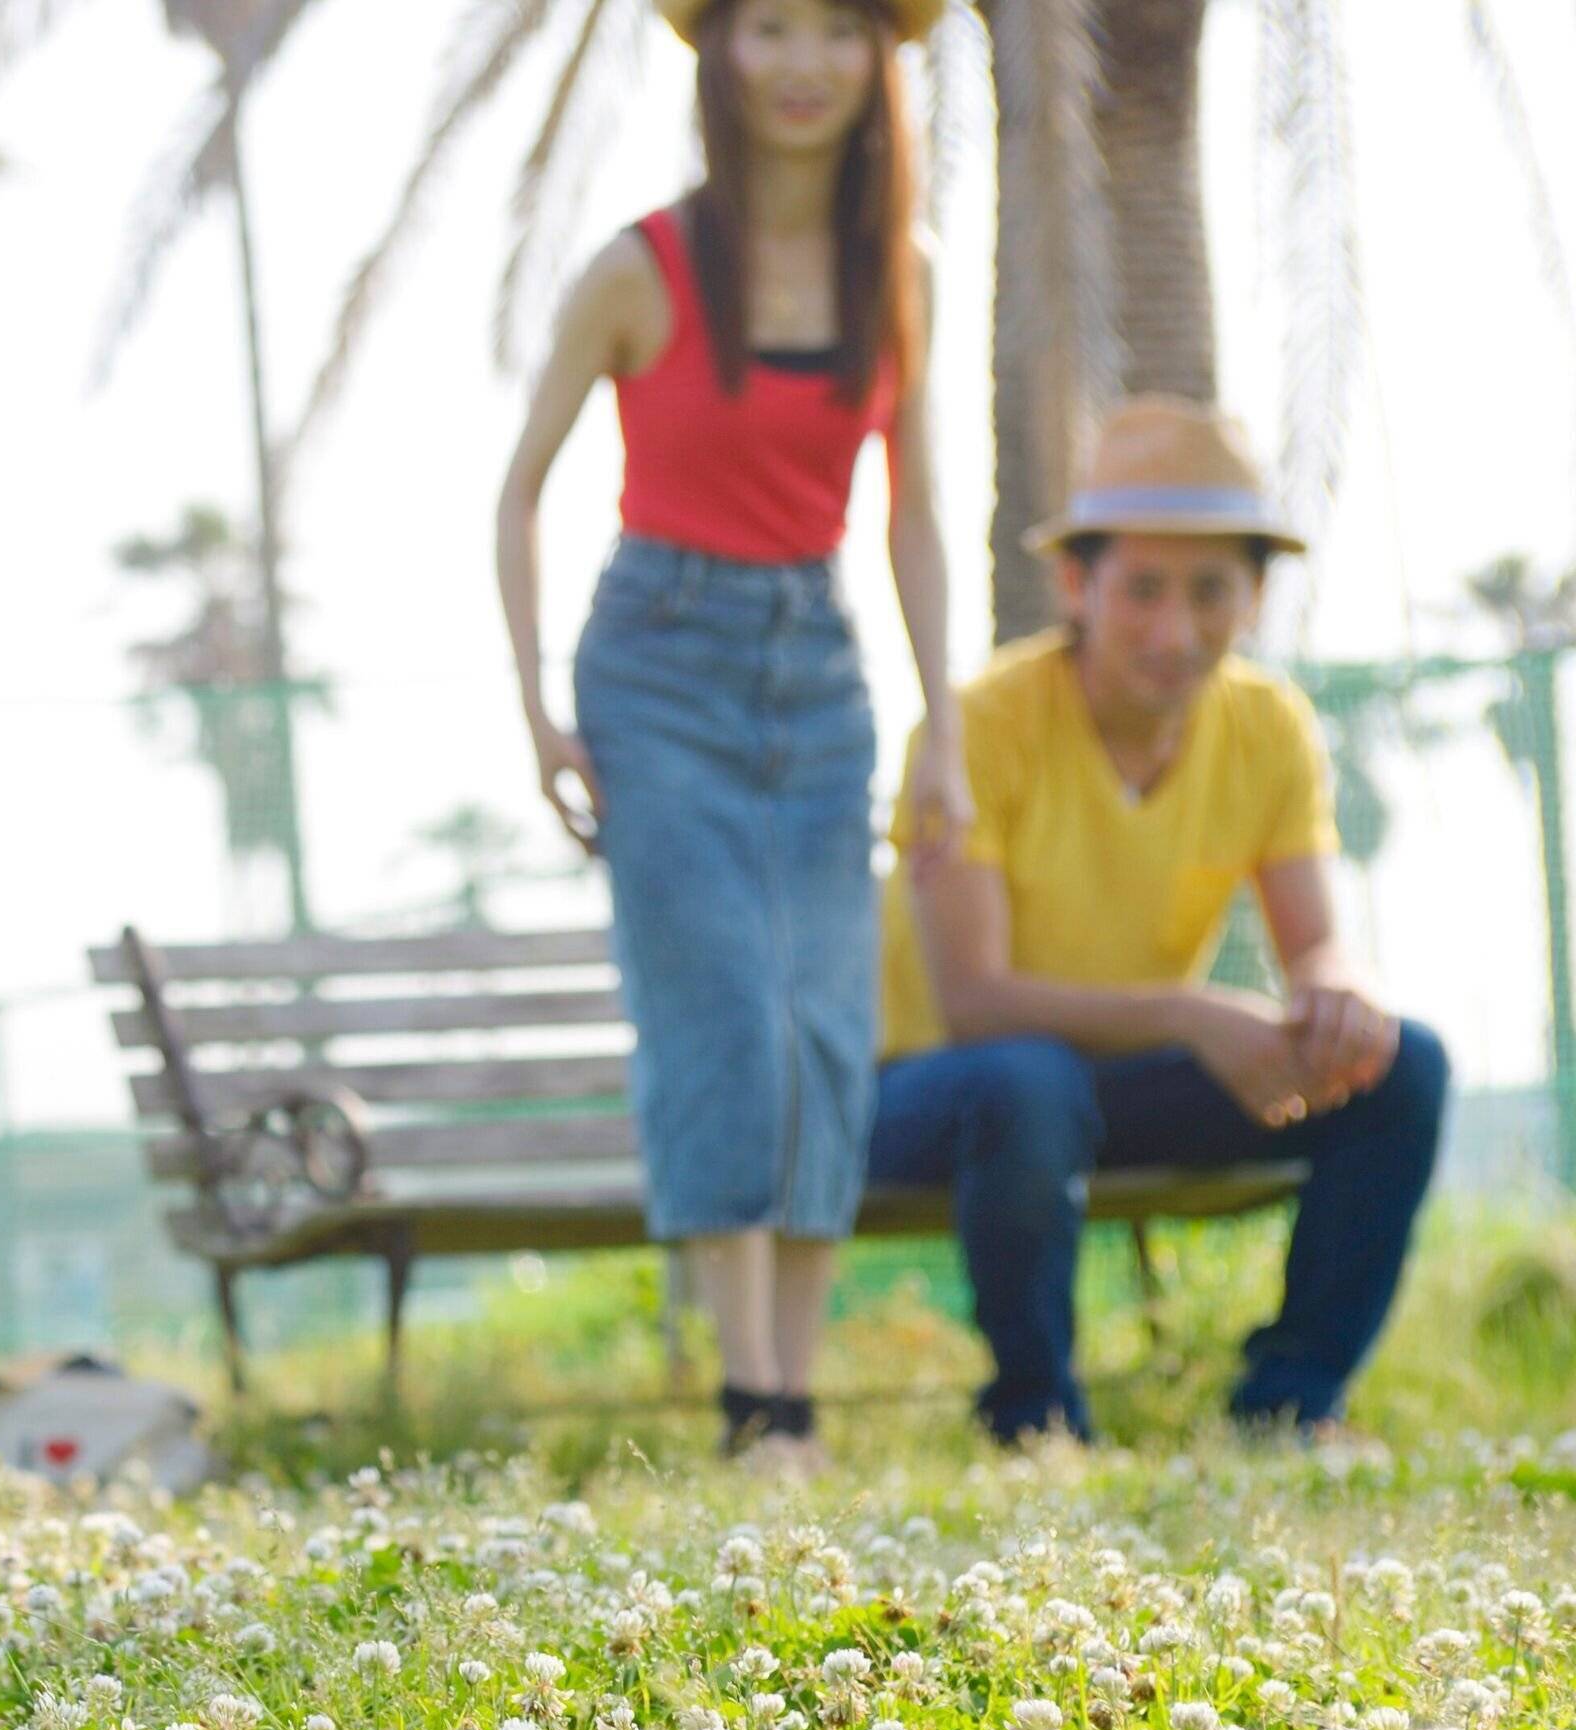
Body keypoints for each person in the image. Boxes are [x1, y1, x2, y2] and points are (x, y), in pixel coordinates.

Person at [499, 0, 968, 1468]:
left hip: (819, 670)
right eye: (769, 28)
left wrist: (940, 725)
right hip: (657, 666)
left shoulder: (904, 276)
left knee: (824, 1024)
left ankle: (797, 1400)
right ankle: (749, 1399)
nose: (805, 62)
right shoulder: (639, 268)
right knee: (719, 1019)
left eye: (838, 30)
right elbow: (518, 493)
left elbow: (918, 515)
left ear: (880, 59)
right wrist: (538, 715)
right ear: (718, 55)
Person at [869, 399, 1445, 1443]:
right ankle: (1037, 1423)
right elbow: (973, 1000)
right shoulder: (975, 727)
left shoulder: (1268, 725)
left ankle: (1290, 1403)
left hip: (1104, 1087)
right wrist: (1189, 1014)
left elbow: (1310, 942)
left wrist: (1340, 993)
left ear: (1255, 595)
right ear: (1075, 584)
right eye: (1142, 588)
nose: (1174, 631)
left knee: (1401, 1066)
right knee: (1024, 1078)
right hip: (929, 1090)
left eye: (1211, 590)